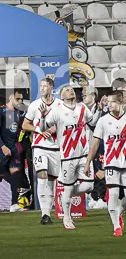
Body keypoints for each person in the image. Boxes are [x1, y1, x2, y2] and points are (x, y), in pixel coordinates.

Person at [85, 90, 126, 237]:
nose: (109, 104)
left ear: (121, 102)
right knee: (112, 194)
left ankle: (118, 213)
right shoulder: (103, 120)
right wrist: (88, 162)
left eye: (112, 101)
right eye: (108, 102)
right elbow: (95, 144)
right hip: (111, 163)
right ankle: (116, 226)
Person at [40, 86, 96, 229]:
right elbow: (43, 129)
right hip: (67, 156)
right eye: (67, 90)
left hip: (84, 154)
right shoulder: (57, 110)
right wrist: (42, 117)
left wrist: (99, 109)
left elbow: (93, 123)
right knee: (69, 187)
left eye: (72, 89)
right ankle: (67, 217)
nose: (71, 91)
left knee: (89, 185)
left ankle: (65, 194)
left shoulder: (82, 108)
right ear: (62, 96)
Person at [21, 77, 61, 225]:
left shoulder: (60, 105)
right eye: (41, 86)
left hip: (55, 147)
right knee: (42, 176)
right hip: (39, 146)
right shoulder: (34, 105)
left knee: (51, 180)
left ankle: (49, 212)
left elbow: (66, 123)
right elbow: (25, 125)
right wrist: (38, 130)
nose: (42, 88)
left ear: (51, 88)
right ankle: (44, 214)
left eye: (45, 86)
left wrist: (55, 128)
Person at [0, 89, 27, 212]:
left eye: (21, 99)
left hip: (13, 150)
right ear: (10, 97)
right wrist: (2, 146)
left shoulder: (19, 114)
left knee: (16, 174)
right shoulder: (2, 111)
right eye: (17, 99)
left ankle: (14, 205)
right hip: (2, 149)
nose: (20, 101)